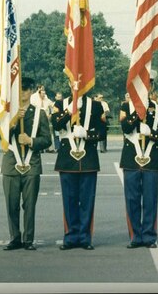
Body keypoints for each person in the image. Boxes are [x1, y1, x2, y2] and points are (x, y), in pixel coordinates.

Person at [2, 77, 52, 251]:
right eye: (19, 90)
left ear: (31, 91)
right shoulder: (7, 113)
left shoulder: (40, 113)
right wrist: (14, 120)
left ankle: (28, 239)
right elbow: (2, 138)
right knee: (11, 204)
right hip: (11, 163)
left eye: (25, 89)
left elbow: (47, 140)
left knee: (29, 205)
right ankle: (14, 238)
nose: (22, 93)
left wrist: (31, 140)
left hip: (32, 163)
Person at [51, 90, 106, 250]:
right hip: (67, 160)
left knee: (87, 201)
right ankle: (70, 236)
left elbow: (102, 133)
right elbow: (56, 124)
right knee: (69, 201)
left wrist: (87, 134)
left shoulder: (96, 106)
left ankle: (85, 237)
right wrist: (69, 110)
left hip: (88, 159)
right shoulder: (60, 104)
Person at [119, 80, 158, 249]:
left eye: (148, 85)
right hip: (131, 158)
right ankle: (135, 236)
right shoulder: (126, 107)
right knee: (132, 199)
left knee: (150, 200)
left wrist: (152, 133)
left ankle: (149, 236)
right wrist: (137, 113)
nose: (144, 88)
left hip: (151, 159)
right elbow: (125, 128)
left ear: (151, 88)